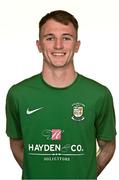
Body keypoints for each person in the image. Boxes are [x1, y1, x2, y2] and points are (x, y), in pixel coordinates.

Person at [6, 10, 116, 180]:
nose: (58, 46)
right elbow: (16, 143)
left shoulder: (99, 94)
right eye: (50, 38)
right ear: (39, 45)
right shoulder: (18, 94)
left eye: (66, 38)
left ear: (77, 45)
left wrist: (86, 174)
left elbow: (107, 145)